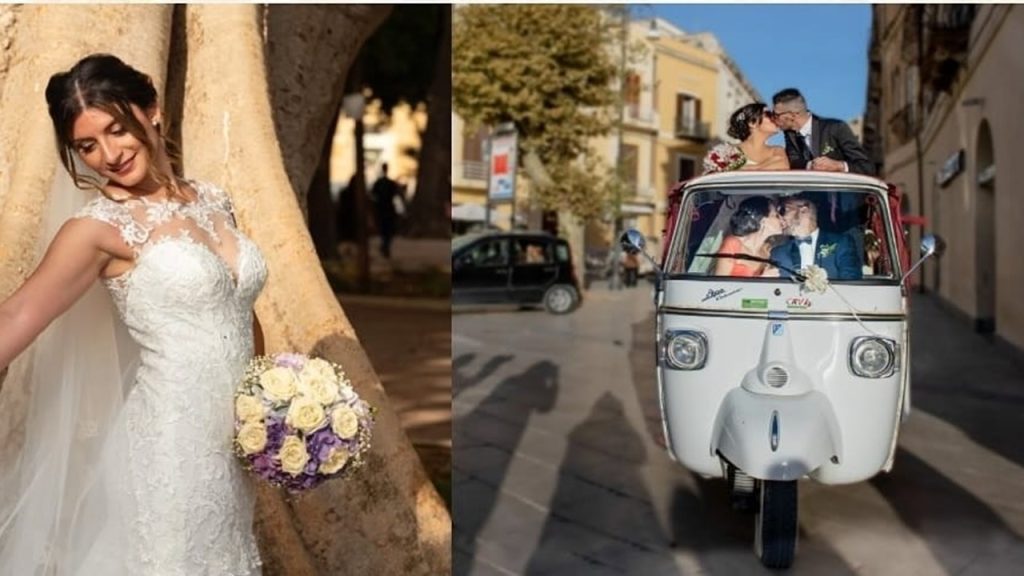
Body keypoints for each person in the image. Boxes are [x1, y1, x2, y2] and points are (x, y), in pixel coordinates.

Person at [0, 54, 264, 573]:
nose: (108, 155)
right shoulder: (99, 228)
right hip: (168, 446)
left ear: (153, 112)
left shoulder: (214, 200)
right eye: (87, 146)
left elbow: (239, 310)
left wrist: (272, 404)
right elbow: (17, 315)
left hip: (235, 446)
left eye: (117, 130)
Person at [771, 88, 874, 176]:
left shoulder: (836, 128)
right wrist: (811, 165)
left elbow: (866, 167)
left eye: (776, 115)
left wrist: (838, 166)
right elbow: (793, 162)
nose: (774, 119)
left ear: (793, 115)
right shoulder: (790, 134)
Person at [770, 193, 863, 281]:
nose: (779, 217)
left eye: (783, 210)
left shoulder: (841, 243)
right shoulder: (777, 253)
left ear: (804, 210)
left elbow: (851, 283)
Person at [714, 196, 785, 277]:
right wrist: (761, 281)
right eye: (776, 215)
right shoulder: (733, 244)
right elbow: (718, 285)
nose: (782, 219)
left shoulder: (767, 250)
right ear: (763, 221)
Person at [730, 102, 790, 171]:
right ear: (752, 123)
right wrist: (769, 164)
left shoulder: (776, 150)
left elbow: (783, 165)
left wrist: (753, 168)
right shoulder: (729, 150)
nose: (776, 118)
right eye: (769, 115)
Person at [370, 162, 405, 259]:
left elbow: (373, 195)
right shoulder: (389, 183)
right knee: (388, 229)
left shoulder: (379, 183)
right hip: (387, 208)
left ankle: (385, 245)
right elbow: (397, 195)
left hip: (382, 208)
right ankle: (385, 245)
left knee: (384, 229)